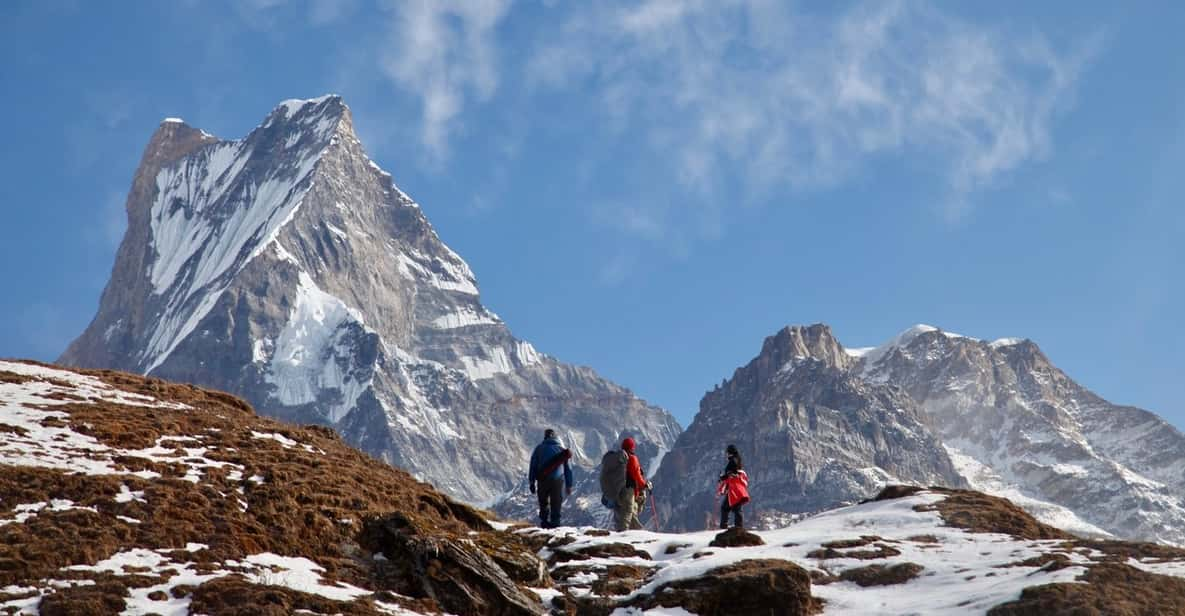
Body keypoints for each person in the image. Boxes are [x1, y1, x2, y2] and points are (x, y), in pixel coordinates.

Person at [528, 428, 573, 528]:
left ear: (545, 437)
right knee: (556, 502)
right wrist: (569, 485)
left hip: (542, 479)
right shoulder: (562, 449)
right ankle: (555, 524)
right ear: (555, 437)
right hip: (558, 479)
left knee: (543, 502)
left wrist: (531, 482)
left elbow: (533, 465)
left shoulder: (539, 448)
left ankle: (544, 522)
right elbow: (568, 469)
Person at [615, 437, 650, 531]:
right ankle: (624, 534)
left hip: (619, 490)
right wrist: (644, 485)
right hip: (629, 490)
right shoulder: (632, 458)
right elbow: (636, 475)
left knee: (630, 513)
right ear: (631, 447)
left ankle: (635, 533)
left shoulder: (619, 459)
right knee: (628, 513)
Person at [717, 444, 749, 529]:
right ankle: (737, 527)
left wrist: (722, 477)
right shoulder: (737, 459)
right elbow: (733, 473)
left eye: (727, 452)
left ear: (730, 452)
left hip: (734, 489)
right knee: (734, 507)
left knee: (730, 507)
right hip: (738, 488)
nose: (726, 454)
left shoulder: (733, 460)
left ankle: (730, 527)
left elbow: (732, 473)